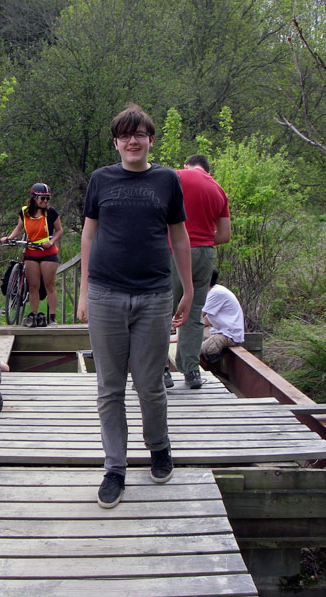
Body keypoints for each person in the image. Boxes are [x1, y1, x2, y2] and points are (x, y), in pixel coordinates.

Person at [77, 103, 194, 509]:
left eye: (140, 134)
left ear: (150, 140)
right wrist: (83, 290)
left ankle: (159, 448)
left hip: (154, 296)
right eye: (125, 135)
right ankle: (115, 468)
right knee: (109, 389)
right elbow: (88, 236)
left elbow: (179, 238)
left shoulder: (167, 181)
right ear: (116, 142)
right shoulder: (100, 180)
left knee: (150, 386)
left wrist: (189, 288)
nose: (133, 140)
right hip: (106, 294)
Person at [168, 154, 231, 390]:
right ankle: (191, 371)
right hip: (204, 254)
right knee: (193, 313)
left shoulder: (178, 176)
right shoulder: (218, 190)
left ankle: (160, 370)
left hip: (173, 250)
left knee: (163, 309)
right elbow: (224, 235)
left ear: (187, 165)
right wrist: (202, 240)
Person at [0, 183, 63, 327]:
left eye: (48, 198)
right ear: (34, 198)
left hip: (48, 253)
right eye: (43, 198)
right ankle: (33, 315)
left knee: (49, 285)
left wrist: (51, 241)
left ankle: (52, 318)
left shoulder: (52, 212)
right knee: (33, 286)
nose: (45, 201)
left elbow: (59, 230)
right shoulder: (25, 212)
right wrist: (9, 238)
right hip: (31, 251)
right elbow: (19, 228)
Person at [201, 270, 244, 363]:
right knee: (194, 337)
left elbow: (198, 317)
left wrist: (179, 337)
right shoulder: (213, 292)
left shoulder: (216, 293)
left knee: (196, 350)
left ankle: (215, 354)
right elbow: (206, 320)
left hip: (229, 335)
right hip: (219, 331)